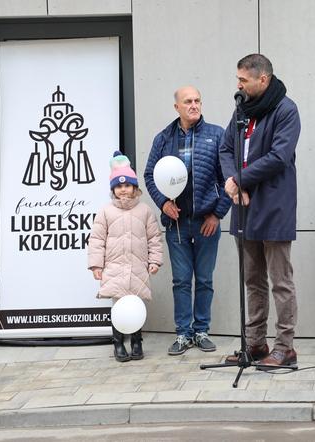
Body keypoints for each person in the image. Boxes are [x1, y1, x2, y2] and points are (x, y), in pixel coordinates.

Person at [219, 53, 300, 368]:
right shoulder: (241, 109)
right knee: (252, 280)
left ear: (262, 79)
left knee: (280, 280)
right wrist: (232, 183)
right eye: (238, 79)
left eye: (243, 80)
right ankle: (255, 344)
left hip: (273, 206)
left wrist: (240, 179)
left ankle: (285, 347)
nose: (238, 85)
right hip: (243, 206)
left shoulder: (286, 109)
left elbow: (280, 156)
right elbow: (226, 147)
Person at [144, 86, 231, 355]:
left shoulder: (217, 135)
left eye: (197, 101)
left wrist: (217, 214)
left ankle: (202, 330)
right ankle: (183, 333)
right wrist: (163, 202)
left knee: (204, 279)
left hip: (207, 221)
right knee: (181, 280)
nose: (194, 105)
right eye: (188, 101)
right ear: (177, 107)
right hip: (177, 224)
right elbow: (150, 175)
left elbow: (228, 179)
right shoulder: (163, 138)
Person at [88, 151, 163, 362]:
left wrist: (154, 260)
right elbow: (97, 239)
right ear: (113, 189)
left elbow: (154, 238)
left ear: (134, 188)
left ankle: (137, 340)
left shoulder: (145, 211)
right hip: (115, 268)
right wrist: (96, 265)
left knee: (136, 304)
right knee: (119, 306)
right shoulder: (105, 212)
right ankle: (118, 342)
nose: (123, 190)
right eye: (119, 186)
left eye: (127, 185)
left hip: (138, 267)